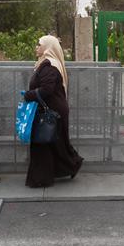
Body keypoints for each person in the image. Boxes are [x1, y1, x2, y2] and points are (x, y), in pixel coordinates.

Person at [22, 35, 83, 188]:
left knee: (44, 143)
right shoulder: (47, 64)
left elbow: (47, 89)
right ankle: (71, 165)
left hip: (52, 110)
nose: (36, 47)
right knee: (54, 143)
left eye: (39, 44)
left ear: (48, 47)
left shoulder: (49, 66)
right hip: (52, 109)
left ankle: (41, 178)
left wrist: (29, 95)